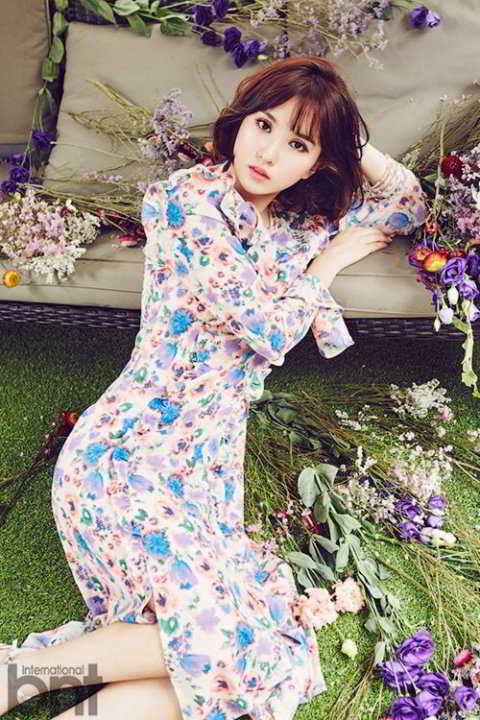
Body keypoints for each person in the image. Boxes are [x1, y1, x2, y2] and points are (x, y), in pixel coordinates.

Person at [0, 56, 426, 719]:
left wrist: (344, 135)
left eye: (299, 145)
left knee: (266, 654)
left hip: (205, 474)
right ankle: (24, 675)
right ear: (240, 121)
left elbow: (407, 202)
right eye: (264, 125)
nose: (269, 152)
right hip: (128, 454)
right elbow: (269, 327)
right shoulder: (186, 203)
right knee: (221, 639)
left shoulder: (299, 222)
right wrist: (329, 265)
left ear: (316, 164)